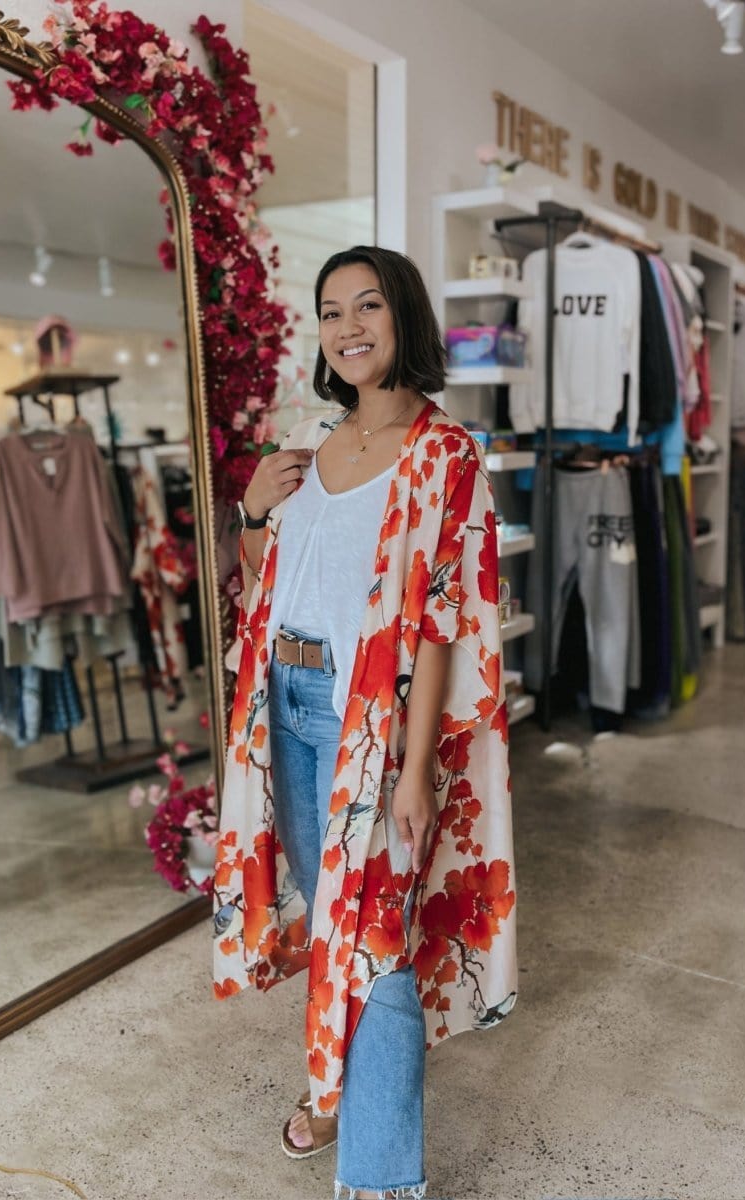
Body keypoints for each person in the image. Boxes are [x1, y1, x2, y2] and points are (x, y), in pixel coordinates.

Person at [213, 246, 518, 1199]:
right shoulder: (310, 445)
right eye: (332, 310)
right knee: (333, 918)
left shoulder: (444, 454)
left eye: (369, 306)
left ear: (405, 318)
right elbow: (276, 589)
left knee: (378, 932)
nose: (349, 327)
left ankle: (381, 1179)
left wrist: (416, 766)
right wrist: (254, 515)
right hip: (288, 708)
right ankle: (332, 1087)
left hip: (372, 724)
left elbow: (443, 623)